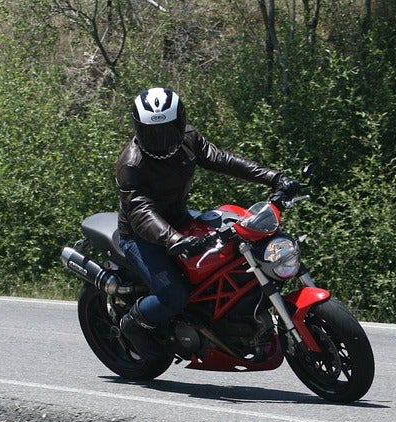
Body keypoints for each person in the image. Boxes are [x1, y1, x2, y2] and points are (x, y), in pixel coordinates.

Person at [115, 87, 299, 357]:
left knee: (235, 252)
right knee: (174, 296)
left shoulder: (189, 139)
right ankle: (132, 323)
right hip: (141, 236)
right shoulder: (131, 164)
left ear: (180, 123)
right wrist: (173, 238)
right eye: (152, 133)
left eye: (168, 131)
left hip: (180, 221)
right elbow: (141, 211)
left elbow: (223, 160)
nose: (162, 141)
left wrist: (273, 177)